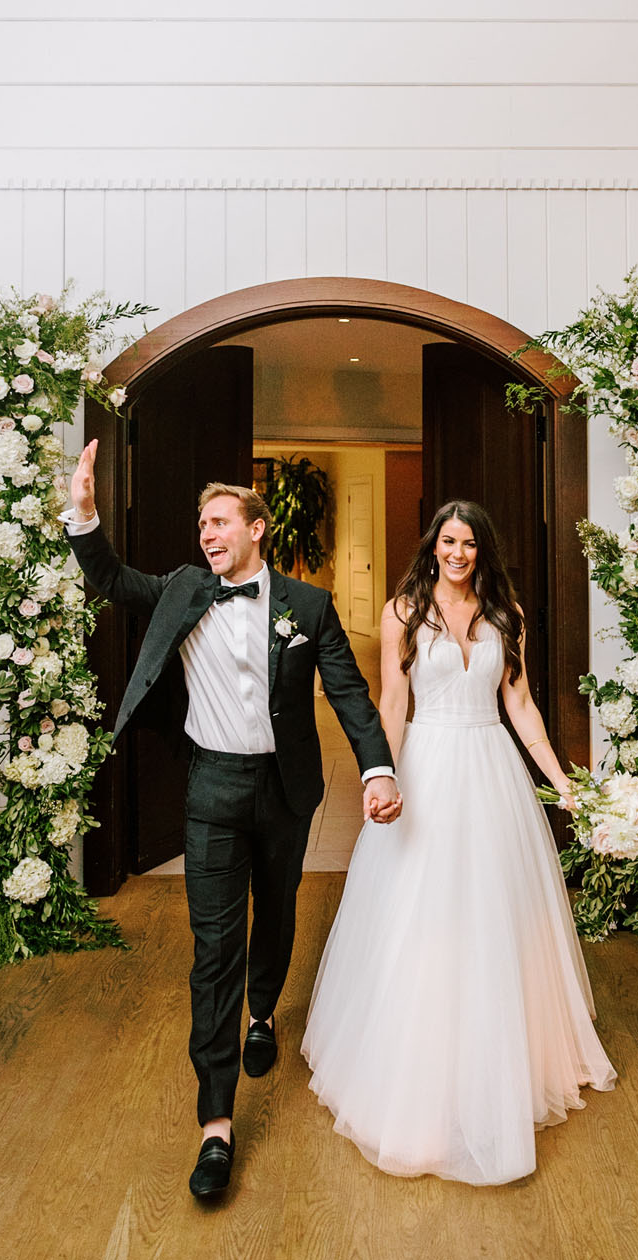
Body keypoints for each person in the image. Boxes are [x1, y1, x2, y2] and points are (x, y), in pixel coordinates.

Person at [64, 442, 400, 1199]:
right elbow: (113, 579)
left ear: (257, 529)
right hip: (211, 786)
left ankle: (263, 1014)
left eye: (220, 522)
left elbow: (347, 691)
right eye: (201, 525)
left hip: (285, 789)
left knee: (275, 910)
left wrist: (377, 768)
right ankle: (215, 1124)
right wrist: (83, 513)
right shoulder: (185, 588)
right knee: (214, 946)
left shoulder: (306, 607)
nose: (207, 534)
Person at [303, 500, 616, 1186]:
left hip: (492, 771)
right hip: (428, 765)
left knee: (494, 912)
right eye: (449, 540)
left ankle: (502, 1057)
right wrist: (378, 775)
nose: (458, 552)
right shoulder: (402, 612)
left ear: (483, 551)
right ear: (432, 545)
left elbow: (521, 704)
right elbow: (391, 699)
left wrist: (562, 781)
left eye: (470, 543)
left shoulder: (507, 615)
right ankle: (418, 1063)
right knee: (423, 910)